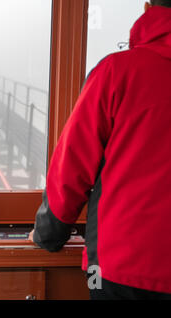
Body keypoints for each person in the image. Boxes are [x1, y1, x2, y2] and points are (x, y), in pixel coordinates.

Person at [29, 0, 171, 300]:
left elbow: (73, 165)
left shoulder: (117, 72)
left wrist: (49, 234)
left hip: (123, 266)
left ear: (147, 9)